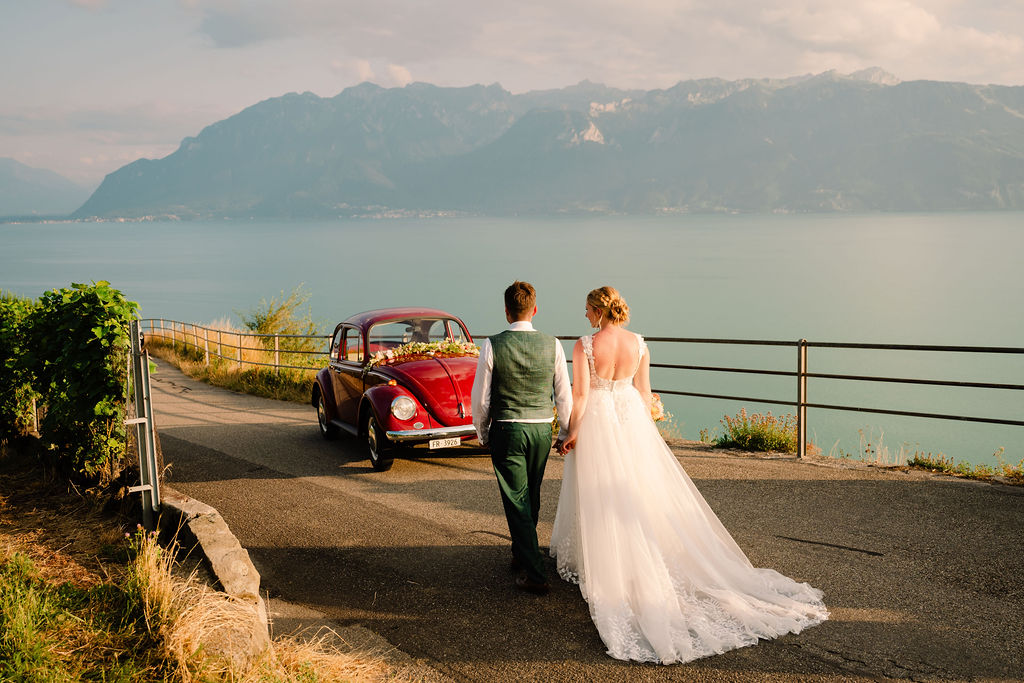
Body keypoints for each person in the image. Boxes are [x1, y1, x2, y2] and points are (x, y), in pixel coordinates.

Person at [551, 286, 828, 663]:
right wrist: (646, 426)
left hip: (600, 422)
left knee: (601, 494)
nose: (584, 315)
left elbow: (580, 398)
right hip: (632, 420)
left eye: (586, 309)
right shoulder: (639, 343)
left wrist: (572, 433)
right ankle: (636, 558)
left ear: (599, 311)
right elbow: (645, 394)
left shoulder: (585, 345)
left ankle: (611, 564)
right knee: (638, 492)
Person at [471, 281, 573, 595]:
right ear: (535, 309)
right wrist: (565, 431)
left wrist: (482, 431)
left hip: (508, 427)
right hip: (541, 428)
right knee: (532, 493)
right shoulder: (553, 344)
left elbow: (481, 398)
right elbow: (563, 395)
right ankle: (521, 551)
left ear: (506, 312)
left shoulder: (492, 344)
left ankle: (536, 573)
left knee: (517, 498)